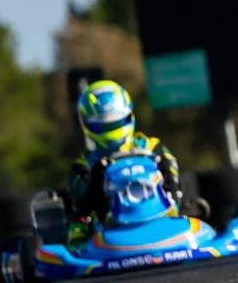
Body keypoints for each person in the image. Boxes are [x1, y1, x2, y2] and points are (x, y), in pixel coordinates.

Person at [63, 80, 202, 244]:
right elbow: (82, 203)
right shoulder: (83, 165)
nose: (112, 129)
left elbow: (171, 174)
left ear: (129, 115)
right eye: (103, 126)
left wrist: (167, 178)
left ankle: (176, 211)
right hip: (108, 227)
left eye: (118, 121)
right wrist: (97, 177)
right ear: (86, 124)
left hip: (162, 212)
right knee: (79, 225)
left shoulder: (151, 147)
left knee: (168, 164)